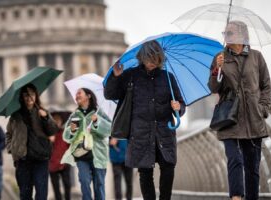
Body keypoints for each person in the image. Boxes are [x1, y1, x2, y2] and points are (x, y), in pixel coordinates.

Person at [104, 40, 186, 200]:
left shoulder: (168, 77)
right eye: (148, 59)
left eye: (155, 59)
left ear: (160, 59)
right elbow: (110, 94)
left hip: (164, 132)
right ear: (142, 58)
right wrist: (116, 77)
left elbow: (181, 103)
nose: (152, 62)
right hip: (140, 133)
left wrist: (179, 107)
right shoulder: (131, 76)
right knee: (145, 172)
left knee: (168, 168)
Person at [208, 21, 271, 200]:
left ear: (243, 35)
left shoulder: (257, 57)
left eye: (229, 33)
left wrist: (263, 109)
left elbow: (266, 86)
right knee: (235, 160)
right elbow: (213, 88)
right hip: (230, 119)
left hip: (253, 119)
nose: (225, 36)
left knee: (252, 168)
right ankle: (236, 197)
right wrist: (216, 70)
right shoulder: (219, 58)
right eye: (225, 32)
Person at [6, 83, 58, 200]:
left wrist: (45, 118)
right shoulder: (15, 116)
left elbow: (53, 130)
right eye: (26, 95)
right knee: (25, 194)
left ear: (36, 96)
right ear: (22, 98)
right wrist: (11, 147)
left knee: (41, 193)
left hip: (40, 158)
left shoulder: (42, 112)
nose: (29, 98)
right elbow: (8, 134)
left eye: (32, 94)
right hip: (23, 160)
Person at [61, 88, 111, 200]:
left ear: (88, 96)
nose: (76, 96)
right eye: (76, 94)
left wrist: (97, 122)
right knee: (84, 181)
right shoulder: (74, 115)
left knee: (99, 185)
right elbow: (66, 137)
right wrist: (72, 131)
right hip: (81, 155)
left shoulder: (99, 112)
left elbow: (109, 130)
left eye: (79, 93)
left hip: (98, 155)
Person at [49, 111, 73, 200]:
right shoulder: (48, 134)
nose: (56, 122)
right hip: (52, 165)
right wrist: (50, 142)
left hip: (64, 163)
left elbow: (70, 146)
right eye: (54, 120)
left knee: (67, 185)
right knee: (56, 188)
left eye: (58, 120)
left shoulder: (65, 132)